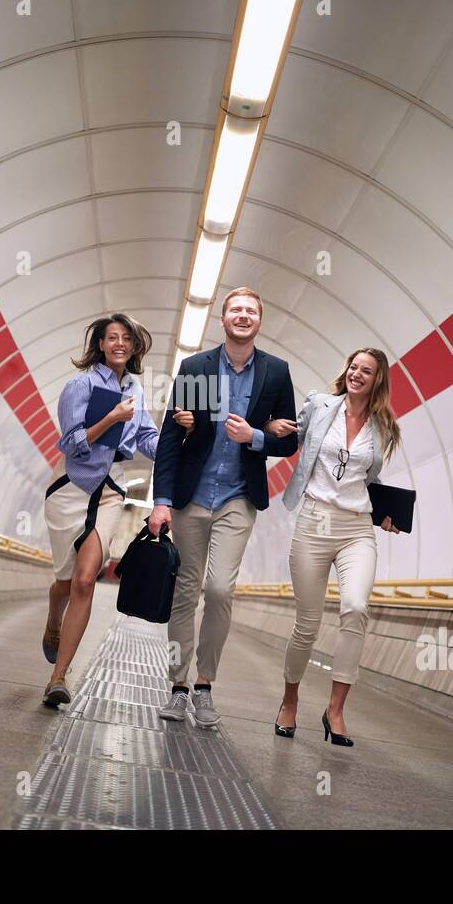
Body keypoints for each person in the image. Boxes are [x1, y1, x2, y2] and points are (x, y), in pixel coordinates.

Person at [148, 287, 298, 728]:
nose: (243, 315)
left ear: (259, 320)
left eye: (251, 310)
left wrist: (255, 436)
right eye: (236, 310)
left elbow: (289, 439)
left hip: (238, 495)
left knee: (219, 591)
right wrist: (161, 501)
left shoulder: (275, 372)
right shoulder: (196, 368)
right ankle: (178, 687)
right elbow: (171, 437)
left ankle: (205, 684)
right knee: (185, 590)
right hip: (191, 495)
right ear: (223, 319)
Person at [268, 348, 402, 747]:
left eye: (366, 371)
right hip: (314, 520)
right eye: (353, 367)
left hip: (356, 526)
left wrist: (387, 514)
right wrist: (269, 428)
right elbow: (288, 440)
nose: (357, 374)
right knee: (307, 625)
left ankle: (336, 710)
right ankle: (290, 701)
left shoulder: (384, 426)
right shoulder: (319, 405)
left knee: (356, 608)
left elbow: (369, 478)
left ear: (378, 380)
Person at [41, 314, 158, 706]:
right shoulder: (81, 385)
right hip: (71, 487)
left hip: (110, 491)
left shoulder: (135, 389)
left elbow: (145, 438)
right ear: (101, 344)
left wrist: (180, 441)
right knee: (64, 580)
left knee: (85, 580)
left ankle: (58, 677)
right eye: (112, 338)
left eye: (126, 338)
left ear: (134, 346)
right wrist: (111, 417)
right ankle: (54, 617)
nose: (119, 343)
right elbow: (72, 444)